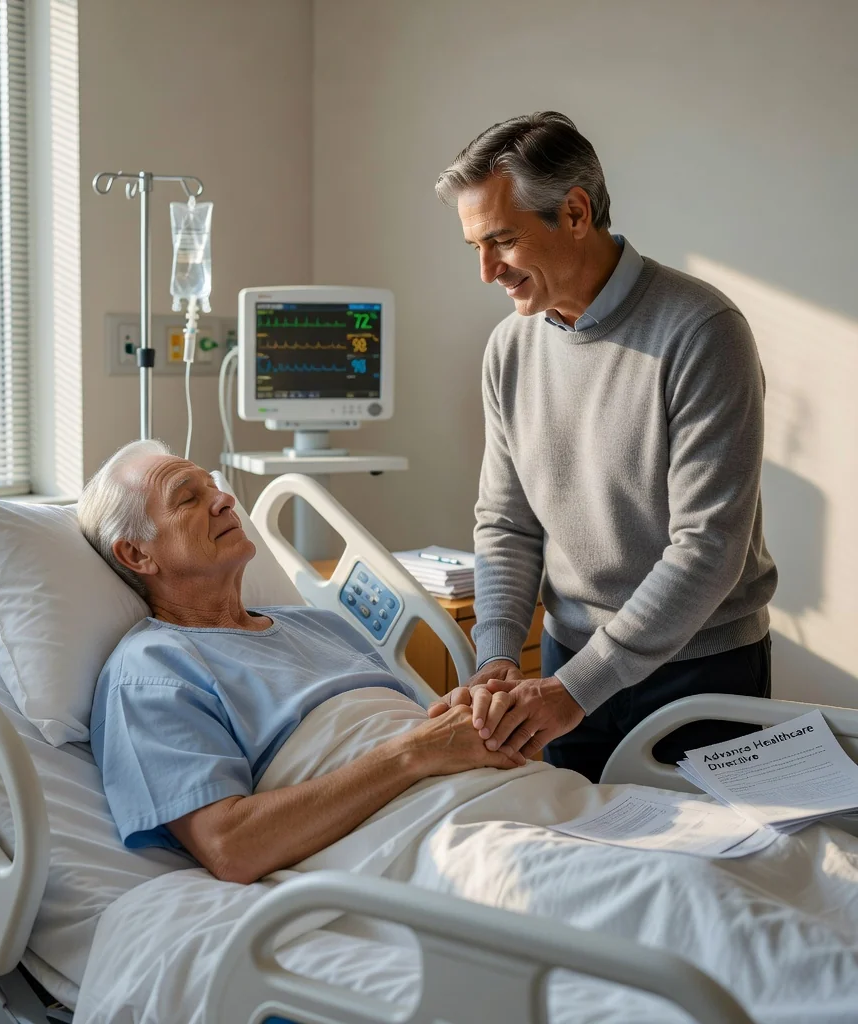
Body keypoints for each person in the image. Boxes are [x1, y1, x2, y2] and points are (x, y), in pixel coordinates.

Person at [429, 111, 778, 782]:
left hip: (699, 670)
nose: (486, 271)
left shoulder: (702, 331)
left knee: (703, 877)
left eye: (502, 240)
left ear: (577, 212)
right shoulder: (511, 347)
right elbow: (507, 523)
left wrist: (578, 689)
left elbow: (708, 550)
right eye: (474, 245)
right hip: (566, 663)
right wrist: (500, 657)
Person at [78, 439, 519, 885]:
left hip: (507, 797)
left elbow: (419, 731)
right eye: (189, 498)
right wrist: (415, 752)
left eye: (214, 487)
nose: (225, 500)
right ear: (136, 554)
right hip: (442, 842)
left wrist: (479, 718)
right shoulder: (152, 669)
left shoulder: (319, 624)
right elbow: (231, 847)